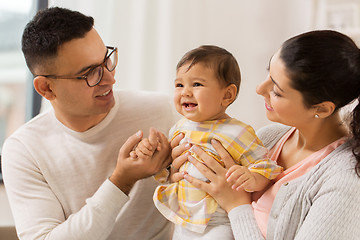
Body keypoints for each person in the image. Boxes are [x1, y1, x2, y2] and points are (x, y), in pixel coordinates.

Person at [1, 7, 177, 240]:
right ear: (46, 88)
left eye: (106, 60)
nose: (110, 79)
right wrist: (121, 181)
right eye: (89, 73)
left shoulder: (160, 111)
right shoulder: (24, 150)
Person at [171, 30, 360, 239]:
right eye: (268, 74)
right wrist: (180, 176)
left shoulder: (345, 182)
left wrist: (236, 206)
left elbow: (232, 201)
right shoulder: (269, 137)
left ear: (322, 109)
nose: (260, 89)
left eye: (277, 91)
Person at [133, 45, 282, 239]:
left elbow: (266, 167)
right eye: (179, 85)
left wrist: (251, 177)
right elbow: (167, 170)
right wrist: (151, 153)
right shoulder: (179, 128)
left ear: (227, 95)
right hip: (184, 220)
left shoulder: (236, 132)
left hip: (218, 222)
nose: (185, 92)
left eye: (196, 84)